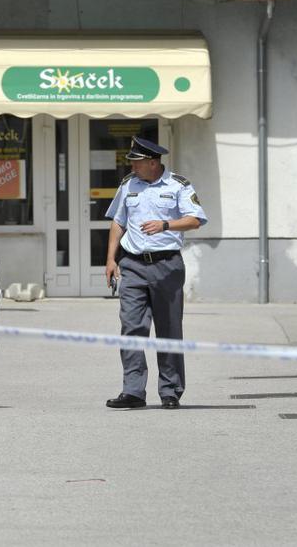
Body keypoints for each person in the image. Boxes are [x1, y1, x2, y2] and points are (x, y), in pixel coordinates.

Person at [104, 137, 208, 410]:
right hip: (132, 265)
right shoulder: (128, 184)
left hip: (166, 266)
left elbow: (195, 219)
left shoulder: (178, 185)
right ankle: (133, 391)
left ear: (152, 162)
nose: (132, 167)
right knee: (131, 328)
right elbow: (118, 222)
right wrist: (111, 259)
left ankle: (170, 390)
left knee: (168, 329)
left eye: (137, 163)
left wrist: (166, 225)